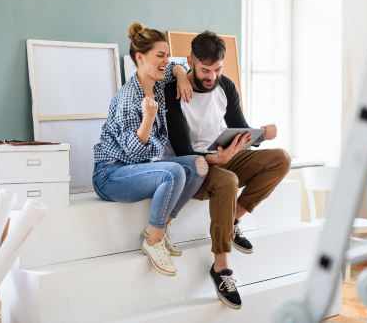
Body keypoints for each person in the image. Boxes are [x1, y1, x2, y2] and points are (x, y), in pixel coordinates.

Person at [163, 31, 292, 309]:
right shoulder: (173, 91)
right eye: (205, 69)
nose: (212, 76)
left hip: (224, 155)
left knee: (281, 158)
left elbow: (238, 129)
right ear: (191, 62)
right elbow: (183, 151)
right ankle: (221, 267)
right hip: (193, 165)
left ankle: (233, 219)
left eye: (218, 69)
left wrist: (260, 135)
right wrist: (216, 160)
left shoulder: (225, 86)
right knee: (228, 180)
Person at [93, 22, 208, 277]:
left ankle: (161, 226)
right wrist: (147, 119)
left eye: (166, 55)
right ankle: (153, 241)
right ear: (140, 58)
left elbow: (180, 65)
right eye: (160, 56)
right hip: (110, 174)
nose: (166, 61)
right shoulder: (128, 99)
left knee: (199, 165)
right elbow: (133, 154)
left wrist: (179, 75)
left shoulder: (157, 80)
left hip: (136, 168)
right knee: (173, 173)